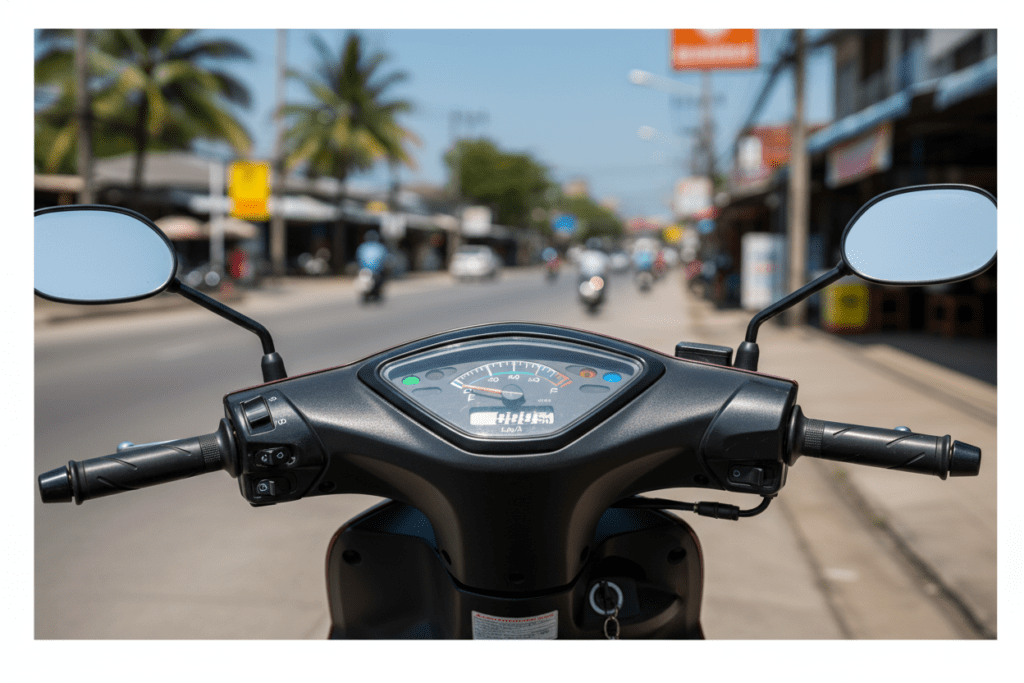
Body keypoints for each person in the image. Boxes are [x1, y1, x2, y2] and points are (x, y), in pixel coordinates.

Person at [355, 230, 389, 303]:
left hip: (364, 270)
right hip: (376, 271)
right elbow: (385, 258)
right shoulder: (380, 247)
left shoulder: (362, 247)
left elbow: (358, 258)